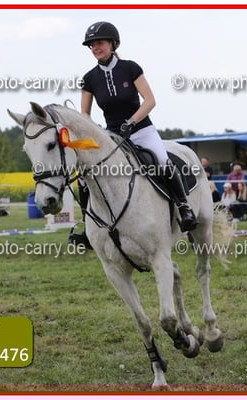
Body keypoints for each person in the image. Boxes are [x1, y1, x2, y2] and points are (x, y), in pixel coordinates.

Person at [70, 21, 197, 247]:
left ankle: (184, 208)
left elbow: (150, 100)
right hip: (111, 136)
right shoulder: (89, 79)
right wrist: (96, 132)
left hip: (141, 129)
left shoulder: (130, 68)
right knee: (84, 174)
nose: (95, 48)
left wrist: (131, 122)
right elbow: (85, 115)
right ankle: (87, 226)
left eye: (99, 43)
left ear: (113, 43)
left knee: (162, 160)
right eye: (92, 45)